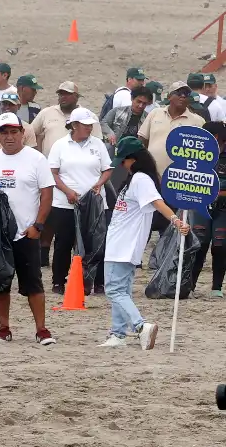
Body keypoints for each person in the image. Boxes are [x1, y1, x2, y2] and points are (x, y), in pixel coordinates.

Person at [0, 112, 57, 345]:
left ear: (23, 133)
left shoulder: (36, 159)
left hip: (26, 232)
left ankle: (41, 329)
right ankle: (4, 328)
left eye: (14, 131)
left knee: (33, 283)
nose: (9, 137)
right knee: (1, 282)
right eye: (4, 132)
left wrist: (38, 225)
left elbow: (47, 193)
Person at [101, 137, 188, 349]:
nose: (122, 164)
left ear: (134, 159)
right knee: (122, 291)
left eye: (124, 160)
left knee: (114, 290)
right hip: (123, 243)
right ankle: (118, 333)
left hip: (123, 245)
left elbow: (157, 202)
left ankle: (140, 326)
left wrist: (175, 221)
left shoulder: (141, 179)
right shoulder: (136, 179)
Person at [41, 107, 109, 296]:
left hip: (94, 203)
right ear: (75, 125)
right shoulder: (60, 145)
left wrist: (99, 184)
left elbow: (107, 169)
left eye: (90, 125)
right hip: (65, 203)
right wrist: (68, 191)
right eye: (85, 125)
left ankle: (97, 282)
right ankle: (58, 282)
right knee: (63, 242)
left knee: (95, 242)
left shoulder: (98, 144)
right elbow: (53, 172)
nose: (89, 128)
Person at [140, 78, 205, 172]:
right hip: (152, 173)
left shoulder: (198, 121)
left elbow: (203, 150)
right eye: (179, 93)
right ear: (169, 96)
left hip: (179, 178)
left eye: (186, 94)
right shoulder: (155, 113)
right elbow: (142, 140)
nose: (182, 96)